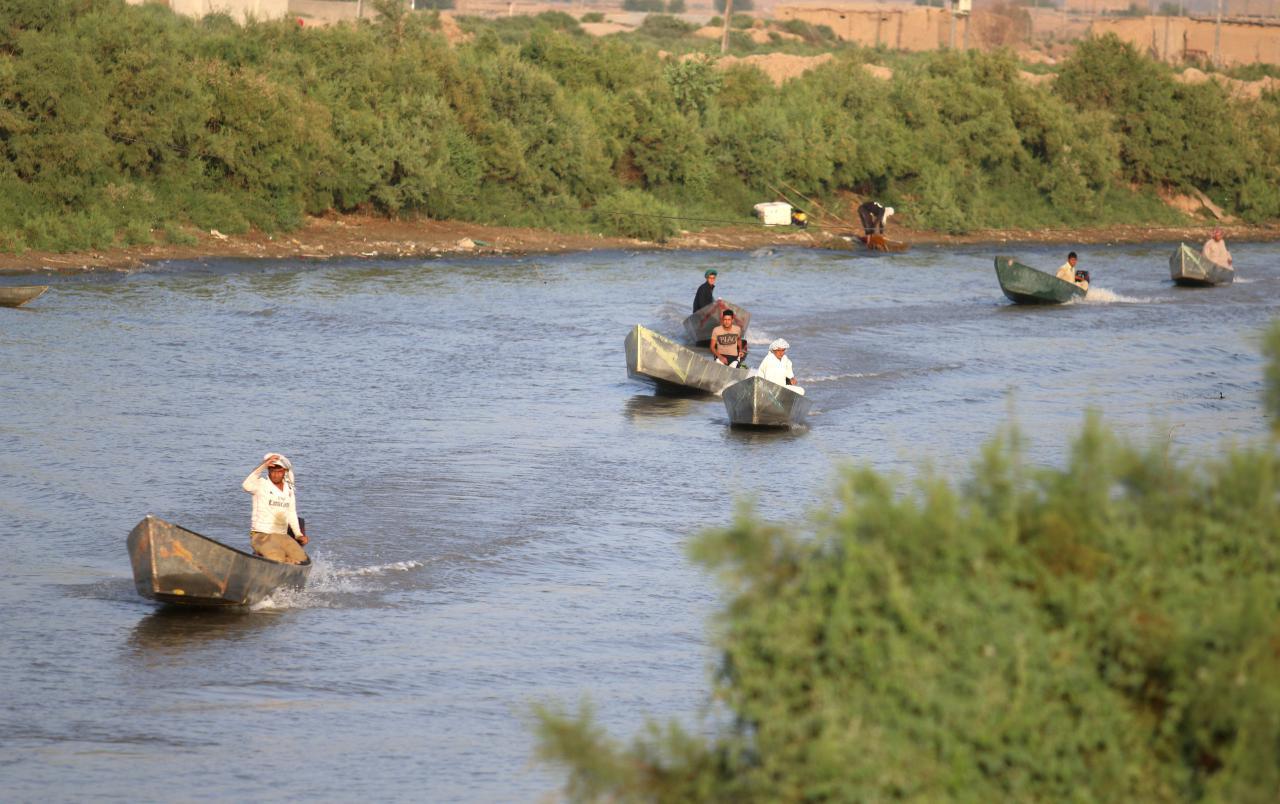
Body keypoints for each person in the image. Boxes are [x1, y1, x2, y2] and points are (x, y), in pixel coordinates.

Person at [242, 453, 309, 564]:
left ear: (284, 472)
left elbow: (291, 513)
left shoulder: (289, 490)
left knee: (302, 559)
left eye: (279, 472)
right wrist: (264, 464)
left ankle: (290, 564)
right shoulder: (261, 485)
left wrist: (298, 535)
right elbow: (245, 485)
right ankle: (286, 564)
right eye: (272, 471)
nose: (275, 475)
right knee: (276, 557)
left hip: (282, 535)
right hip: (261, 535)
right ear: (268, 471)